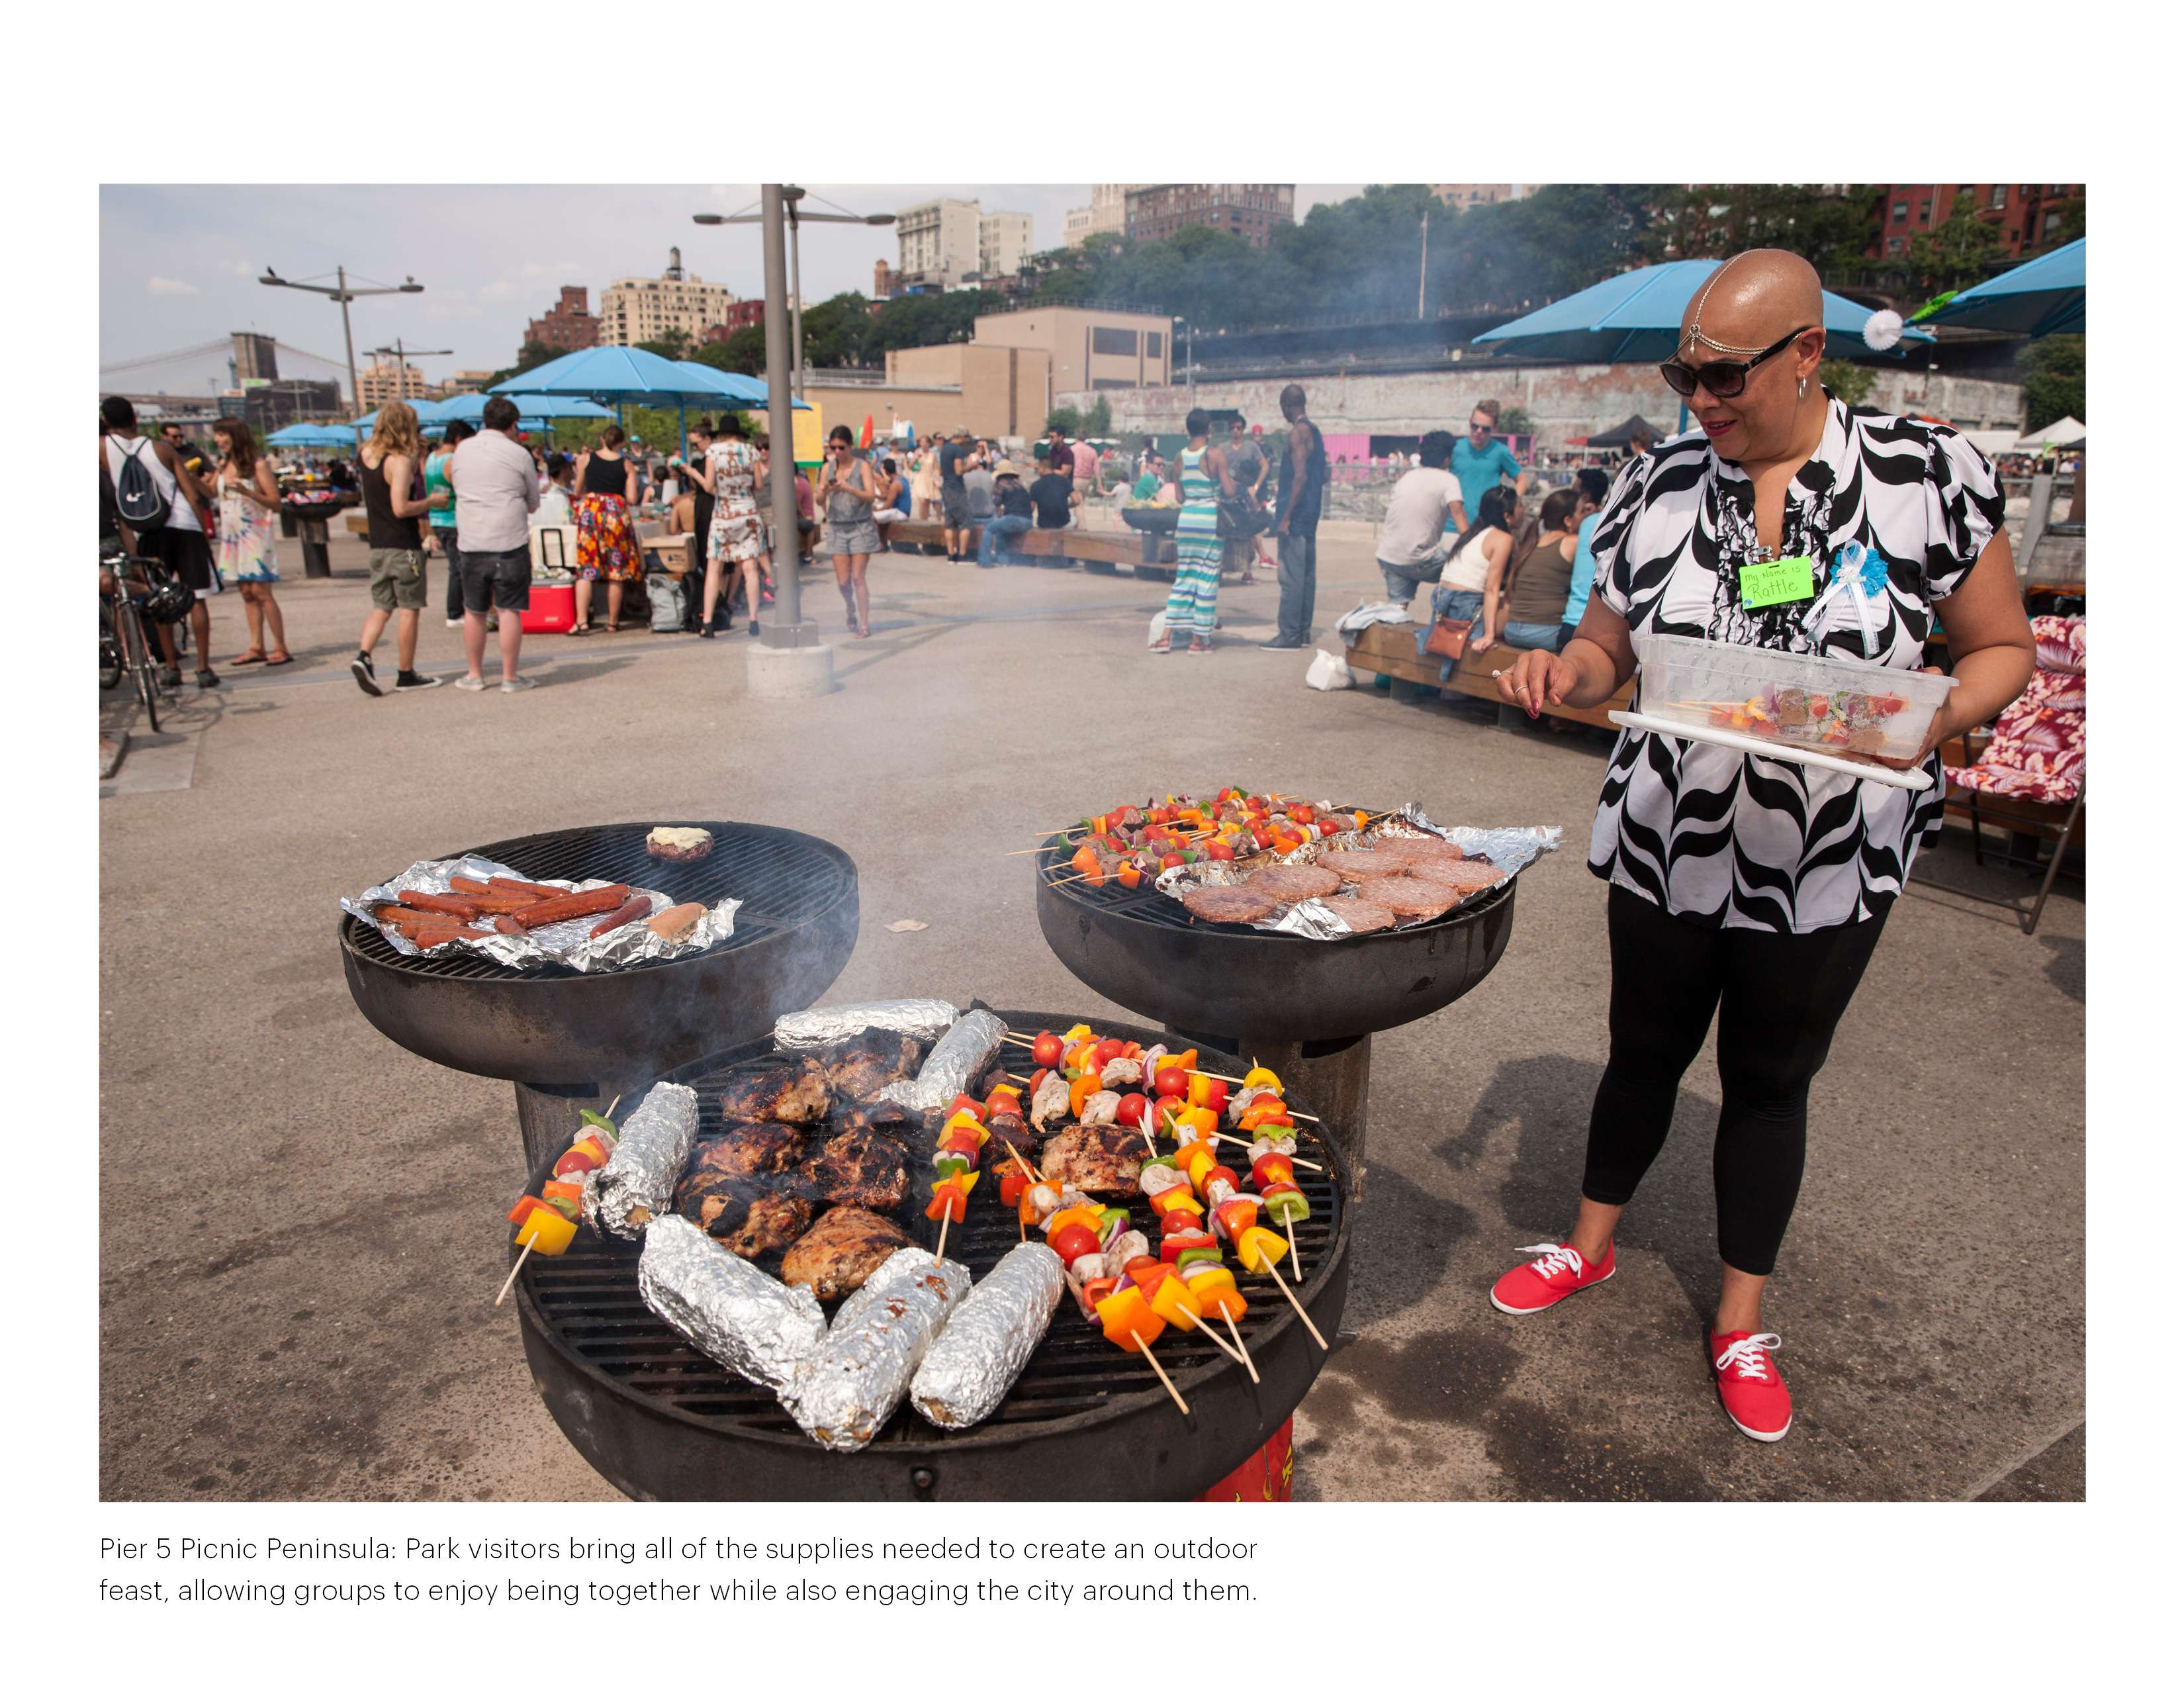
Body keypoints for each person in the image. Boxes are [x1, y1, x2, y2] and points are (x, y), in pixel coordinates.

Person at [1488, 249, 2036, 1443]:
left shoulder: (1926, 474)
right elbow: (1604, 650)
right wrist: (1563, 672)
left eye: (1727, 375)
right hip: (1669, 834)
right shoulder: (1657, 482)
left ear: (1806, 354)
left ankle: (1740, 1320)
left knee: (1769, 1080)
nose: (1703, 400)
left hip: (1832, 850)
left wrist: (1932, 716)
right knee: (1641, 1051)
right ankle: (1588, 1247)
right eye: (1686, 373)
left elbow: (2003, 649)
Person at [103, 395, 219, 687]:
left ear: (105, 422)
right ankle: (204, 668)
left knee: (159, 597)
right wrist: (201, 531)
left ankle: (170, 667)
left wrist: (131, 550)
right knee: (196, 598)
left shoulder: (101, 450)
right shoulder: (163, 448)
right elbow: (191, 494)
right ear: (135, 419)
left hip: (144, 531)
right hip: (183, 525)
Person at [350, 399, 446, 696]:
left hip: (377, 545)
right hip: (404, 546)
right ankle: (406, 672)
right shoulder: (399, 461)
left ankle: (363, 655)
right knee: (409, 608)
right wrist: (431, 502)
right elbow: (401, 507)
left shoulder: (366, 454)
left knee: (382, 606)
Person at [447, 395, 540, 691]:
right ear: (513, 424)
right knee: (509, 610)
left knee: (474, 610)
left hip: (472, 540)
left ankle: (474, 675)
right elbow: (534, 502)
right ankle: (510, 678)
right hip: (509, 540)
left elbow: (457, 485)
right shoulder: (519, 454)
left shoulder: (461, 452)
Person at [208, 417, 289, 667]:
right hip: (232, 536)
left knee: (262, 591)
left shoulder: (257, 465)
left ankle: (280, 646)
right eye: (217, 435)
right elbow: (211, 492)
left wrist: (248, 493)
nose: (218, 440)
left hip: (254, 534)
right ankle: (257, 646)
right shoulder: (223, 464)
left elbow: (276, 503)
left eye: (223, 434)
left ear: (236, 435)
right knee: (246, 592)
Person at [1156, 408, 1231, 657]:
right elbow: (1229, 491)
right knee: (1207, 579)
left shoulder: (1179, 457)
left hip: (1186, 521)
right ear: (1209, 429)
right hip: (1209, 520)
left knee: (1183, 578)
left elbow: (1179, 496)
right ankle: (1198, 640)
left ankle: (1165, 637)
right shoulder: (1215, 455)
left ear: (1188, 430)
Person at [1261, 383, 1326, 650]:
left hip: (1296, 515)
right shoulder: (1316, 432)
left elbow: (1300, 476)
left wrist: (1285, 517)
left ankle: (1289, 634)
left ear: (1287, 405)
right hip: (1311, 512)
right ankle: (1303, 632)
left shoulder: (1297, 434)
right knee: (1307, 575)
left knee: (1291, 578)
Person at [1373, 428, 1466, 608]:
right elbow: (1458, 513)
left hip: (1388, 556)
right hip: (1419, 560)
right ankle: (1446, 618)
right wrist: (1476, 545)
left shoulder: (1407, 477)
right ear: (1447, 458)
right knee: (1464, 567)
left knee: (1397, 611)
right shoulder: (1449, 480)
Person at [691, 413, 762, 638]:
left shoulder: (714, 451)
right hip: (748, 511)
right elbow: (758, 484)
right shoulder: (752, 451)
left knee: (715, 567)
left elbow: (709, 484)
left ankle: (709, 622)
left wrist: (694, 474)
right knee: (750, 568)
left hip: (723, 512)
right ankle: (753, 619)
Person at [569, 424, 641, 635]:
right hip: (615, 513)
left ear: (602, 440)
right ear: (621, 443)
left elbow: (578, 489)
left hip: (591, 512)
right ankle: (612, 622)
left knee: (587, 567)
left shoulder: (586, 459)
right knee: (615, 570)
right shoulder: (626, 464)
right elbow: (633, 498)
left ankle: (582, 621)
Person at [1432, 484, 1517, 658]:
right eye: (1520, 506)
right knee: (1513, 611)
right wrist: (1489, 634)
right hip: (1465, 603)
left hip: (1442, 598)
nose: (1524, 510)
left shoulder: (1472, 533)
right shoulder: (1503, 539)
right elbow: (1491, 589)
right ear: (1507, 516)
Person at [1494, 487, 1582, 650]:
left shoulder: (1532, 542)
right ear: (1568, 520)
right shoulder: (1573, 542)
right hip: (1546, 633)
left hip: (1513, 631)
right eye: (1582, 512)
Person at [817, 425, 882, 637]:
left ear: (850, 446)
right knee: (843, 582)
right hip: (837, 527)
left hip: (860, 526)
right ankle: (849, 606)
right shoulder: (827, 468)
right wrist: (826, 490)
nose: (837, 452)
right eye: (833, 447)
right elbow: (819, 500)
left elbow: (871, 497)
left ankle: (864, 624)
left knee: (858, 578)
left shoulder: (862, 467)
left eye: (841, 447)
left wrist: (849, 489)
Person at [1447, 398, 1531, 528]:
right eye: (1475, 426)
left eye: (1485, 429)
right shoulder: (1454, 449)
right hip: (1452, 526)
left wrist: (1509, 503)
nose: (1479, 431)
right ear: (1470, 423)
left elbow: (1522, 481)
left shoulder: (1501, 452)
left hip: (1486, 526)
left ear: (1494, 428)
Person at [426, 420, 473, 628]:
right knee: (458, 567)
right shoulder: (452, 461)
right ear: (458, 439)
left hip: (436, 518)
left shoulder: (431, 458)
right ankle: (454, 613)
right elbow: (464, 489)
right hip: (452, 519)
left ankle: (456, 610)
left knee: (455, 566)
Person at [1560, 467, 1613, 645]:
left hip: (1572, 622)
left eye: (1574, 491)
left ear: (1585, 498)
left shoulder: (1585, 525)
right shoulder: (1610, 522)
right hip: (1600, 627)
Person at [1221, 416, 1271, 579]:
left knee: (1249, 530)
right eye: (1234, 427)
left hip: (1246, 494)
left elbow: (1264, 465)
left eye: (1240, 428)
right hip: (1227, 494)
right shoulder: (1222, 448)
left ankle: (1247, 569)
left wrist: (1255, 487)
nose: (1236, 431)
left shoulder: (1251, 447)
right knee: (1225, 529)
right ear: (1230, 430)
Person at [977, 461, 1036, 567]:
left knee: (988, 529)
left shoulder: (1001, 483)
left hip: (1014, 519)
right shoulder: (1020, 484)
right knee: (1001, 531)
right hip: (1028, 520)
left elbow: (996, 502)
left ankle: (984, 561)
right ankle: (1003, 561)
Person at [937, 426, 978, 563]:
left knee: (950, 524)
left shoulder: (945, 449)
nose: (966, 441)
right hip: (956, 489)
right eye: (966, 438)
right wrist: (971, 466)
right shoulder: (958, 450)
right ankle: (962, 556)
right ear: (962, 437)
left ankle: (950, 555)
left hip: (946, 487)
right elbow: (959, 470)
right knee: (965, 523)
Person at [535, 453, 576, 528]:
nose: (573, 470)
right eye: (570, 467)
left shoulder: (543, 497)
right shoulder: (564, 498)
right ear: (564, 469)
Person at [963, 451, 996, 530]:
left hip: (971, 514)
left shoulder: (965, 477)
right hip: (989, 514)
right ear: (985, 466)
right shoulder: (992, 477)